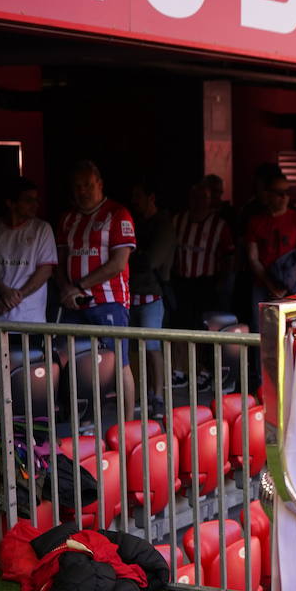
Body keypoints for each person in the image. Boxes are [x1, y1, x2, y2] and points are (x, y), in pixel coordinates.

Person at [55, 160, 136, 417]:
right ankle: (70, 417)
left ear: (99, 184)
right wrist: (67, 289)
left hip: (108, 301)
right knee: (63, 358)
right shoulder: (68, 218)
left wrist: (79, 286)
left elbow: (118, 263)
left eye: (88, 185)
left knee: (119, 363)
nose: (83, 191)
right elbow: (58, 260)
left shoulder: (118, 214)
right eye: (77, 186)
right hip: (72, 303)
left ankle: (128, 425)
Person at [127, 176, 177, 413]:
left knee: (152, 346)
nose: (134, 201)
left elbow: (151, 261)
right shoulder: (134, 222)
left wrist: (125, 257)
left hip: (152, 296)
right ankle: (142, 394)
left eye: (138, 196)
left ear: (151, 198)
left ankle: (158, 396)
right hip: (130, 294)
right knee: (134, 349)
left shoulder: (163, 224)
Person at [0, 176, 57, 325]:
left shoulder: (42, 229)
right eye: (28, 200)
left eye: (36, 200)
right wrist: (4, 291)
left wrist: (15, 298)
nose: (35, 205)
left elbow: (45, 270)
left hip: (30, 318)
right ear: (10, 203)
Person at [245, 168, 296, 330]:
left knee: (293, 332)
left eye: (287, 192)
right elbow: (252, 257)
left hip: (292, 285)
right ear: (267, 194)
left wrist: (286, 284)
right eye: (278, 193)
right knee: (261, 331)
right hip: (263, 285)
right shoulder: (255, 221)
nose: (284, 197)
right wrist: (271, 285)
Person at [173, 179, 236, 329]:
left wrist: (223, 281)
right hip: (182, 283)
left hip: (207, 284)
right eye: (194, 197)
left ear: (209, 200)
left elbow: (230, 257)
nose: (197, 202)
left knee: (205, 325)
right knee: (183, 323)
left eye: (202, 198)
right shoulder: (178, 220)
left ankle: (205, 353)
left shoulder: (219, 225)